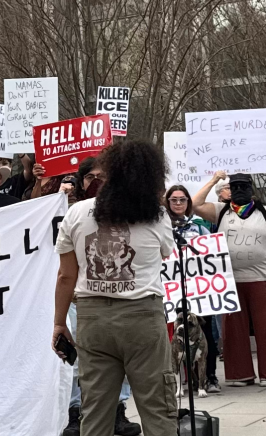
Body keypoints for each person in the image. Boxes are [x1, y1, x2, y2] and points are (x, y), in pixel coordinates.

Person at [54, 140, 176, 436]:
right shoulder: (156, 216)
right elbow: (164, 253)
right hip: (143, 317)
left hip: (92, 318)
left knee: (94, 410)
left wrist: (59, 322)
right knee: (157, 408)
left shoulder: (77, 213)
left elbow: (66, 276)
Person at [193, 171, 266, 387]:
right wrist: (215, 180)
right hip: (230, 279)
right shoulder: (221, 211)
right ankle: (239, 374)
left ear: (251, 188)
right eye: (234, 188)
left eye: (243, 187)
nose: (239, 191)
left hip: (262, 276)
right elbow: (196, 204)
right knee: (233, 329)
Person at [165, 185, 221, 394]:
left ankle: (210, 378)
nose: (178, 204)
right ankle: (179, 380)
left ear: (188, 202)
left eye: (182, 200)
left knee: (205, 331)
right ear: (168, 202)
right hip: (172, 288)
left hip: (200, 288)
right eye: (174, 200)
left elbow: (213, 252)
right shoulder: (161, 226)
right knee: (175, 331)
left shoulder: (198, 226)